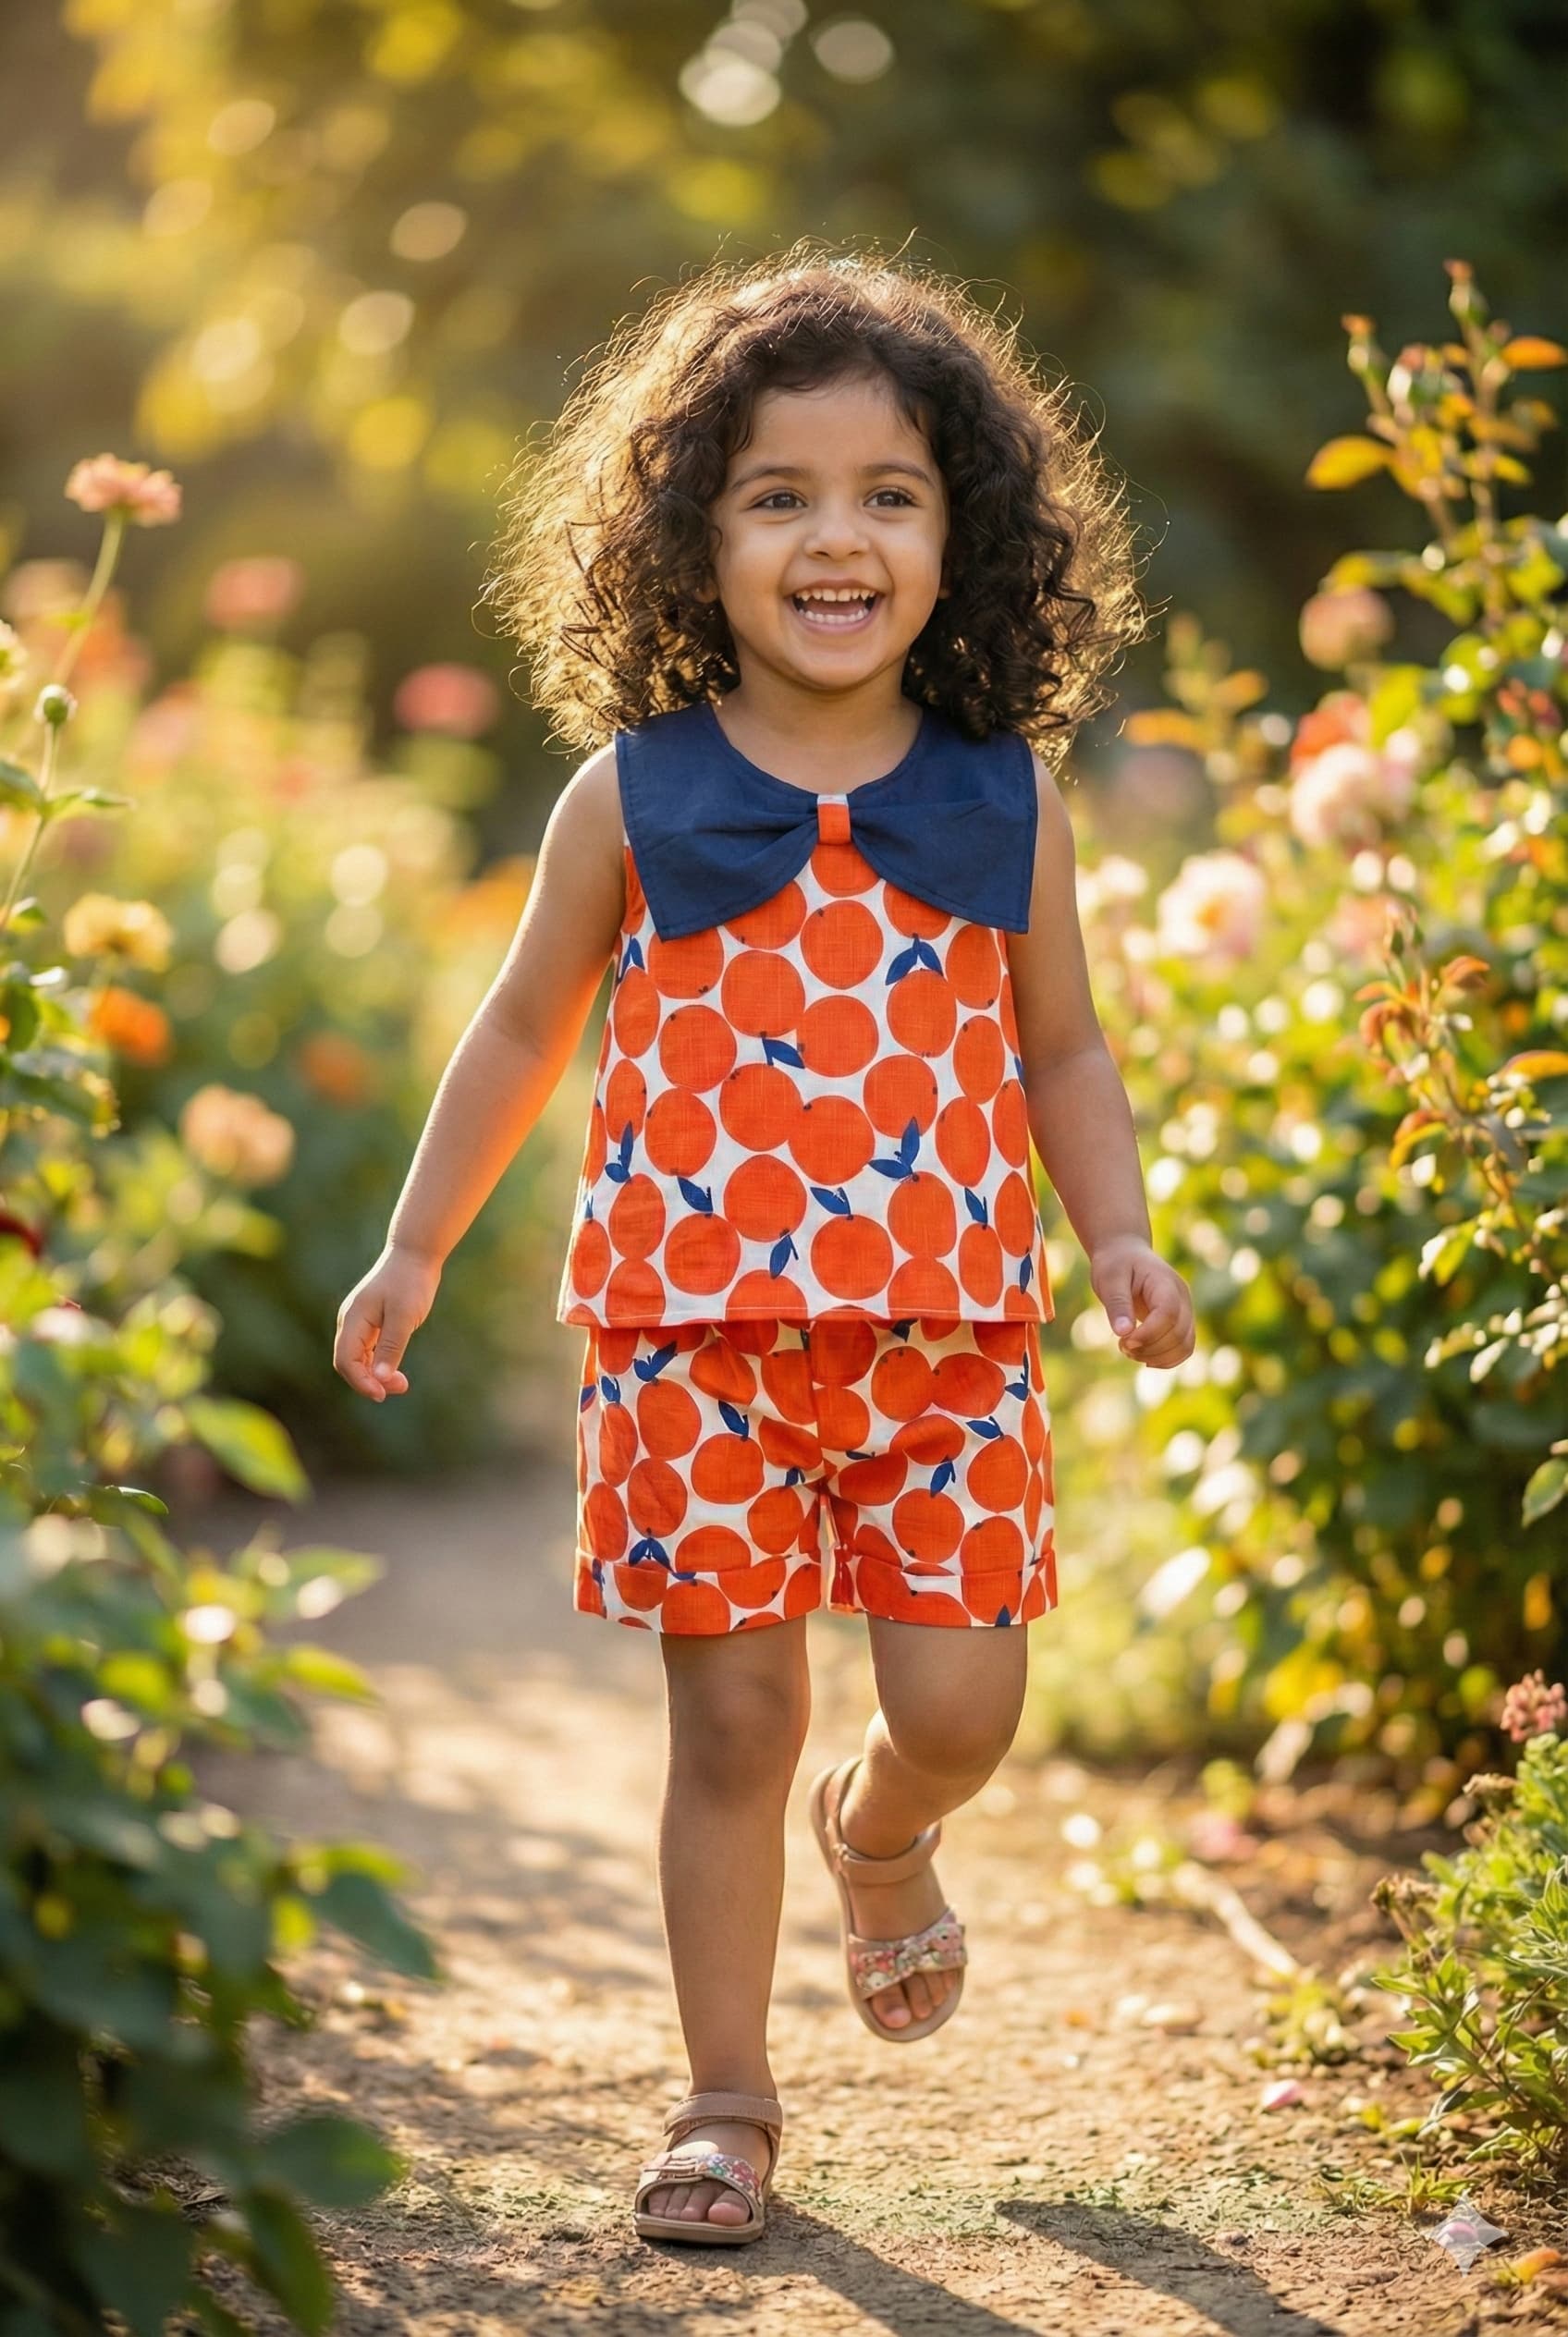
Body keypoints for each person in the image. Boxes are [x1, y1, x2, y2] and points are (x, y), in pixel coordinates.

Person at [333, 245, 1195, 2247]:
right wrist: (414, 1247)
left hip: (947, 1342)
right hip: (691, 1337)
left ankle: (880, 1837)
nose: (834, 538)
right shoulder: (626, 796)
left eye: (888, 492)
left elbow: (1062, 1048)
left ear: (960, 538)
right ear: (692, 539)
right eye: (775, 494)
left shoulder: (1009, 798)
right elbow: (517, 1032)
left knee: (961, 1709)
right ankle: (725, 2100)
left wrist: (1121, 1232)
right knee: (729, 1722)